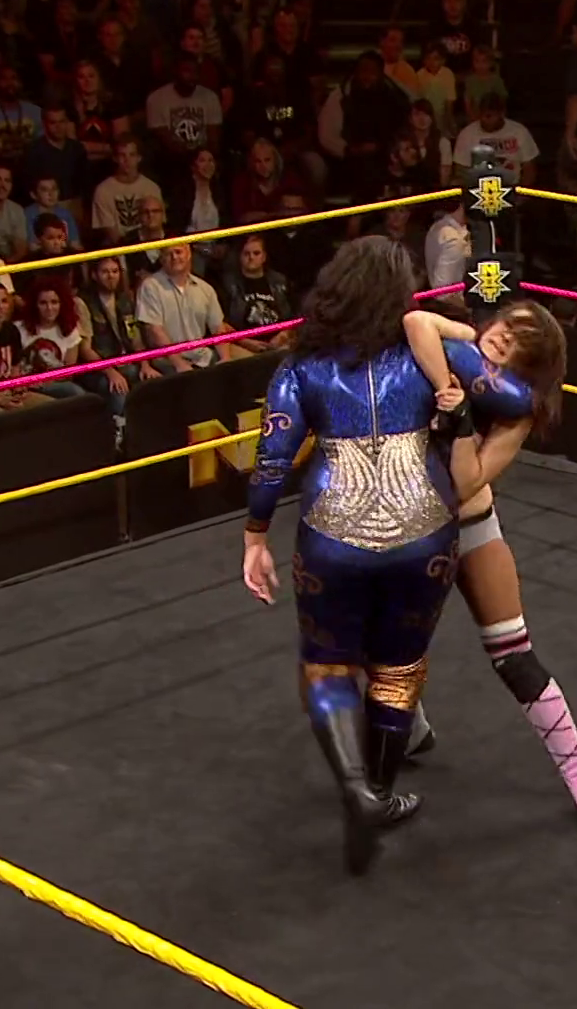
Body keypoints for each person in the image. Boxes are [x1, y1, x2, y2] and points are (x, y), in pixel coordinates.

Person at [239, 237, 541, 876]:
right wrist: (457, 373)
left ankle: (359, 791)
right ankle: (376, 791)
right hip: (424, 532)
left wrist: (254, 535)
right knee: (398, 671)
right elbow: (517, 399)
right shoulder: (435, 354)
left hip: (332, 534)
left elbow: (272, 459)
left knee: (327, 666)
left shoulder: (302, 367)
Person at [401, 298, 577, 833]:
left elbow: (467, 482)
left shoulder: (516, 410)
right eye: (506, 328)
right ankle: (410, 728)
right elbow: (416, 320)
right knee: (380, 644)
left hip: (470, 524)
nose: (503, 339)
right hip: (411, 528)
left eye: (519, 343)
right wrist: (446, 376)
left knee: (514, 657)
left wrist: (459, 419)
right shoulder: (451, 348)